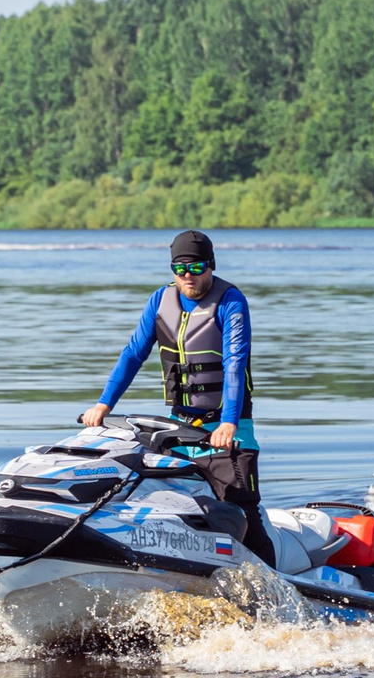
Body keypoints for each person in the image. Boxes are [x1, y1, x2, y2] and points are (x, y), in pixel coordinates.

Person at [79, 229, 275, 565]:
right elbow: (132, 354)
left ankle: (277, 586)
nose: (188, 276)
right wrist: (103, 405)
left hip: (229, 429)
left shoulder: (230, 301)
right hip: (180, 428)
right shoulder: (160, 300)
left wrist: (227, 423)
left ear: (210, 266)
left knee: (244, 511)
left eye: (196, 268)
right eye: (180, 268)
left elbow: (234, 363)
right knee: (167, 503)